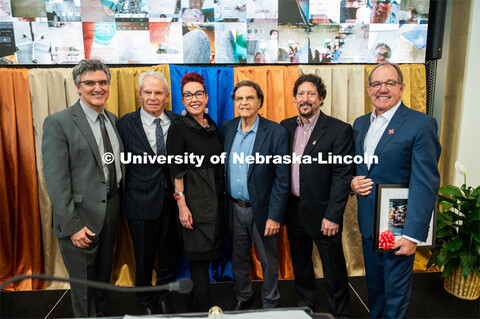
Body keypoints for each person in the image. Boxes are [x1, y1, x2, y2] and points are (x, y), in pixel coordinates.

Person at [350, 62, 441, 318]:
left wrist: (412, 235)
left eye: (389, 83)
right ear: (369, 90)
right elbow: (358, 168)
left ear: (401, 88)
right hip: (369, 223)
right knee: (376, 288)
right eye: (377, 84)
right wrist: (352, 182)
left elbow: (426, 183)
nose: (382, 89)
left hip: (396, 222)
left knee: (395, 291)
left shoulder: (420, 124)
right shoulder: (360, 123)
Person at [42, 59, 123, 318]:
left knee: (101, 282)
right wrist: (72, 225)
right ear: (78, 86)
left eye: (102, 82)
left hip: (110, 211)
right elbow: (56, 180)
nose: (97, 88)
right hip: (80, 218)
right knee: (84, 288)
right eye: (90, 83)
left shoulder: (111, 119)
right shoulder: (59, 122)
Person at [280, 74, 353, 317]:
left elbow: (343, 175)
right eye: (301, 94)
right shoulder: (285, 126)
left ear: (321, 98)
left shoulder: (339, 130)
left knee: (333, 268)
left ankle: (340, 313)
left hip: (324, 212)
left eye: (311, 94)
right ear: (294, 98)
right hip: (293, 209)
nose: (305, 98)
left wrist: (333, 215)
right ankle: (305, 307)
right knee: (300, 264)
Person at [116, 71, 180, 315]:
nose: (153, 97)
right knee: (142, 257)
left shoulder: (177, 122)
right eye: (148, 92)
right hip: (139, 204)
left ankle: (163, 296)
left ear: (166, 96)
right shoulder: (124, 123)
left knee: (168, 255)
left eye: (158, 93)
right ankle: (144, 300)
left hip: (172, 203)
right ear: (139, 94)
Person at [221, 80, 289, 310]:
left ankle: (270, 302)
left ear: (259, 102)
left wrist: (275, 216)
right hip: (234, 207)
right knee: (239, 258)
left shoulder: (276, 132)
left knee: (268, 260)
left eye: (249, 98)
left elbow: (282, 178)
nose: (244, 102)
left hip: (263, 210)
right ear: (234, 103)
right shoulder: (227, 128)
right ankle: (243, 296)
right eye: (239, 98)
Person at [166, 72, 224, 312]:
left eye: (198, 94)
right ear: (182, 100)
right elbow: (176, 170)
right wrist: (182, 206)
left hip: (216, 203)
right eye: (188, 95)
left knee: (208, 257)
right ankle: (203, 311)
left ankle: (196, 304)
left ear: (206, 97)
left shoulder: (212, 126)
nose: (194, 99)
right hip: (194, 204)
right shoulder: (178, 129)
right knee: (198, 261)